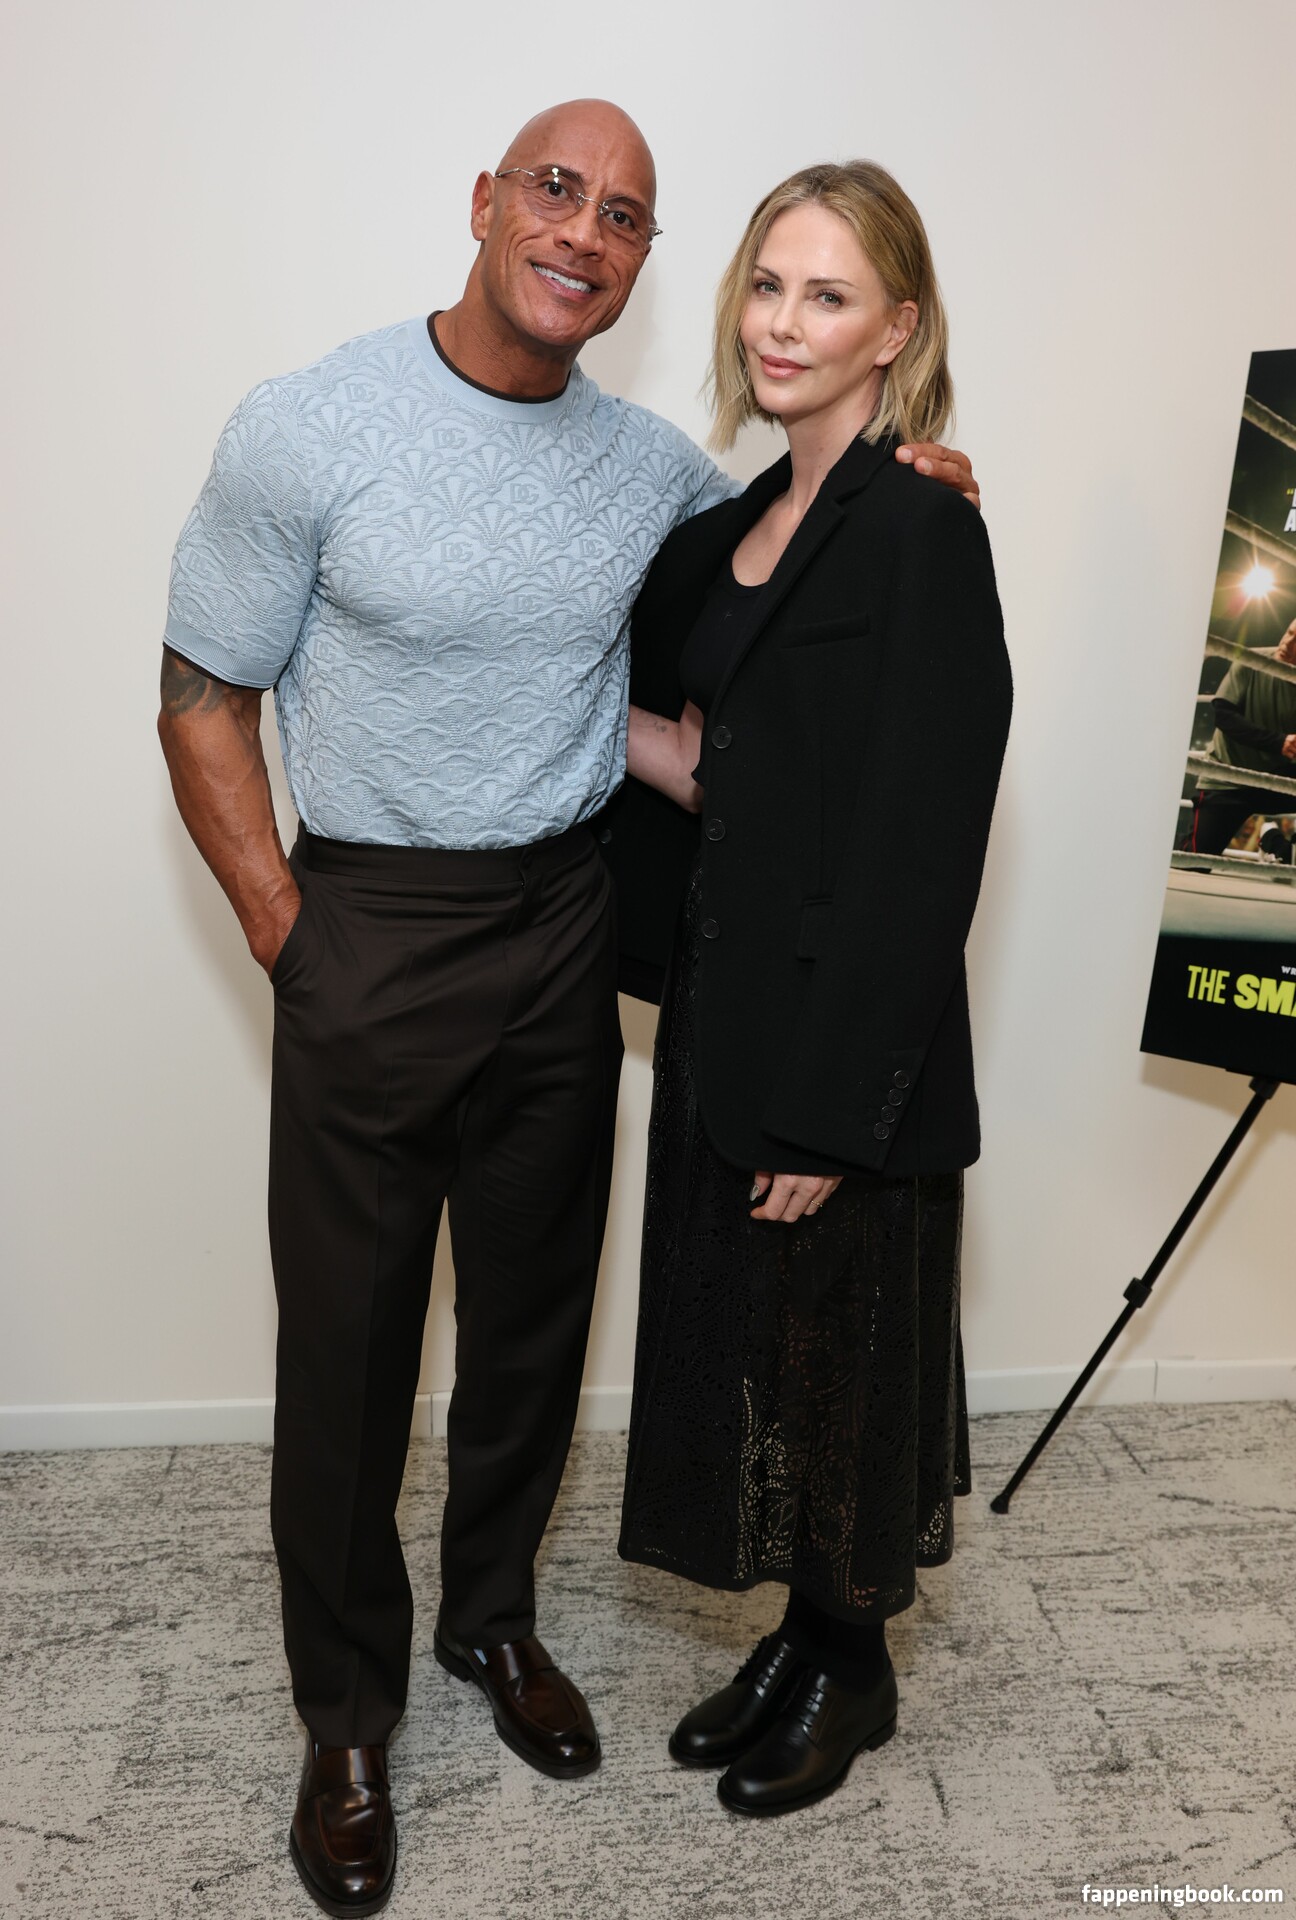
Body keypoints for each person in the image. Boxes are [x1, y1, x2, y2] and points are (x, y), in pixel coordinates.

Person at [156, 103, 980, 1911]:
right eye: (555, 190)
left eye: (623, 215)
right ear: (484, 203)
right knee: (352, 1354)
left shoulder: (650, 476)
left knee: (531, 1331)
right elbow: (202, 693)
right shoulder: (311, 422)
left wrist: (915, 477)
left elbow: (794, 573)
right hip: (372, 922)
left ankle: (490, 1620)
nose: (583, 231)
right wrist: (294, 935)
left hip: (564, 929)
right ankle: (346, 1716)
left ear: (639, 261)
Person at [606, 159, 1012, 1818]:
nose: (784, 322)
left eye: (827, 295)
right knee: (761, 1346)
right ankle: (800, 1635)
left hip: (853, 1037)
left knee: (843, 1358)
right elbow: (726, 773)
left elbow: (925, 837)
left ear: (894, 330)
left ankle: (856, 1668)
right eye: (768, 285)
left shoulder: (924, 530)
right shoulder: (725, 533)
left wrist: (842, 1114)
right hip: (728, 1013)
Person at [1180, 614, 1296, 863]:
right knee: (1195, 863)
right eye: (1290, 633)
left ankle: (1280, 847)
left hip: (1275, 779)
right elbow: (1224, 717)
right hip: (1227, 780)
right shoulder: (1253, 662)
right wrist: (1279, 743)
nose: (1288, 643)